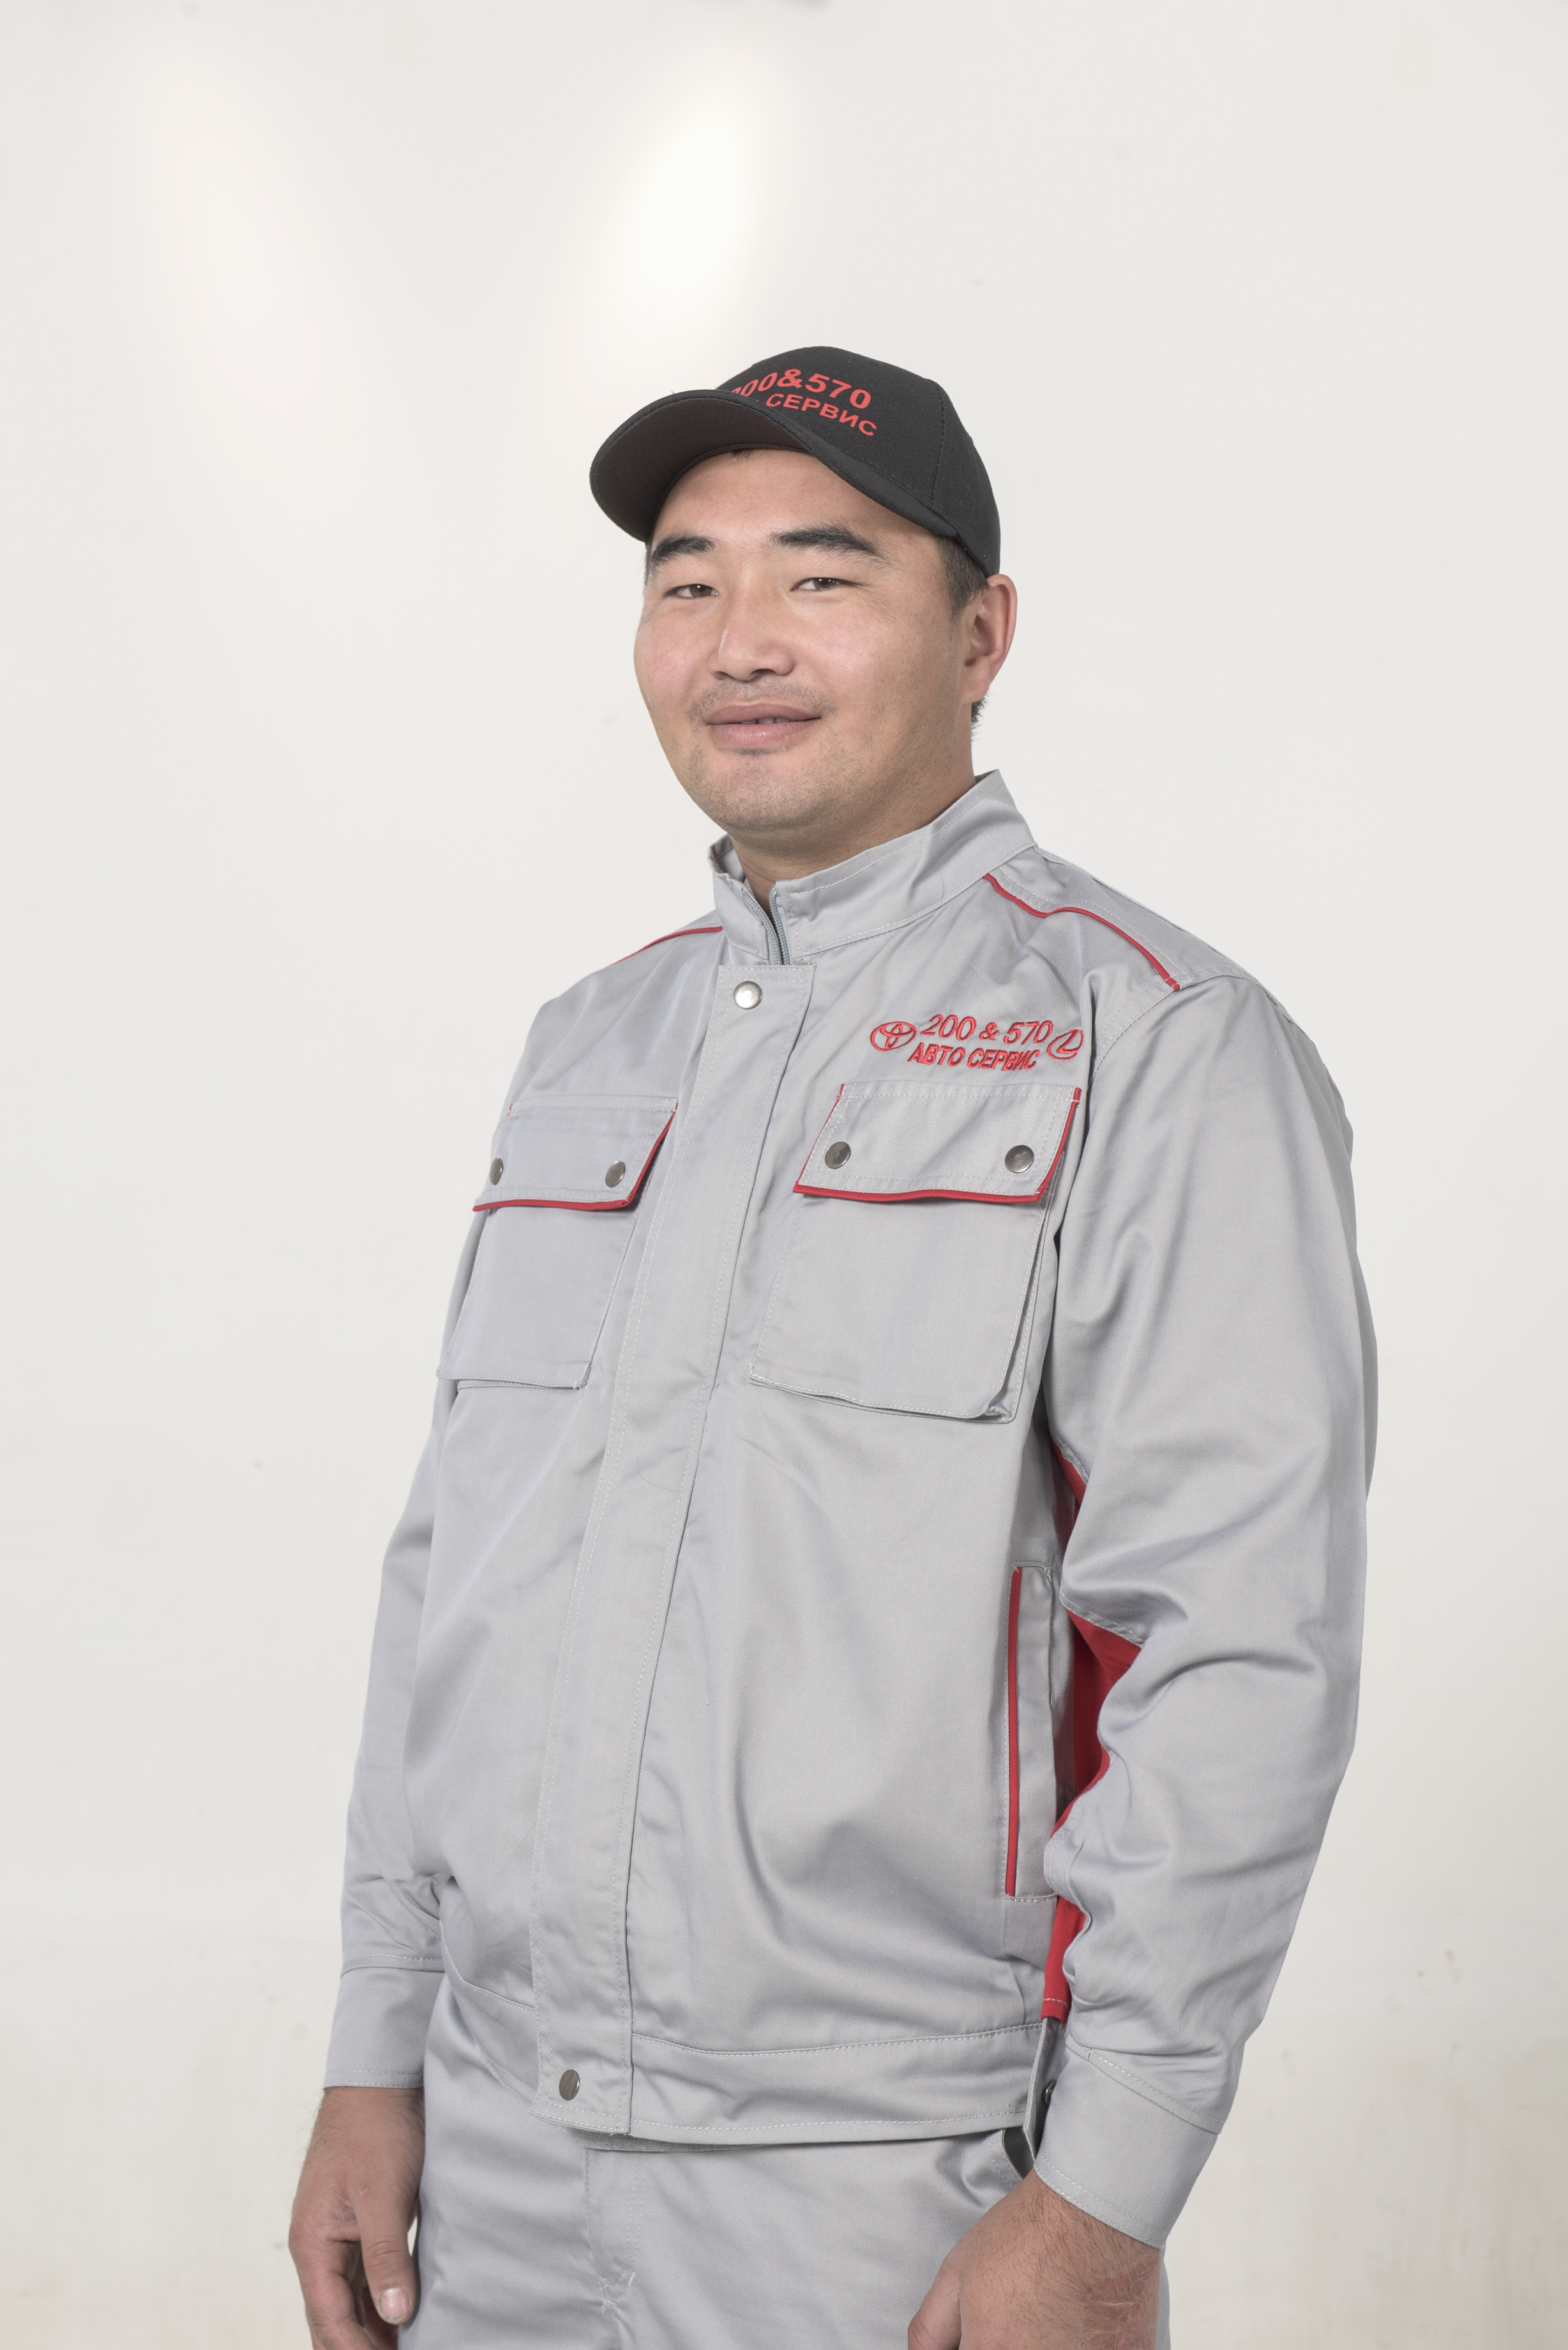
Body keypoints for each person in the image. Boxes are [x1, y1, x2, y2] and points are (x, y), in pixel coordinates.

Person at [289, 346, 1375, 2350]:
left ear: (982, 634)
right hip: (494, 2154)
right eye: (686, 581)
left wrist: (1103, 2200)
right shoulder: (591, 1045)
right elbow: (449, 1580)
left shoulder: (1157, 1046)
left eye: (822, 573)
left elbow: (1236, 1651)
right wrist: (378, 2047)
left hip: (891, 2186)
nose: (741, 642)